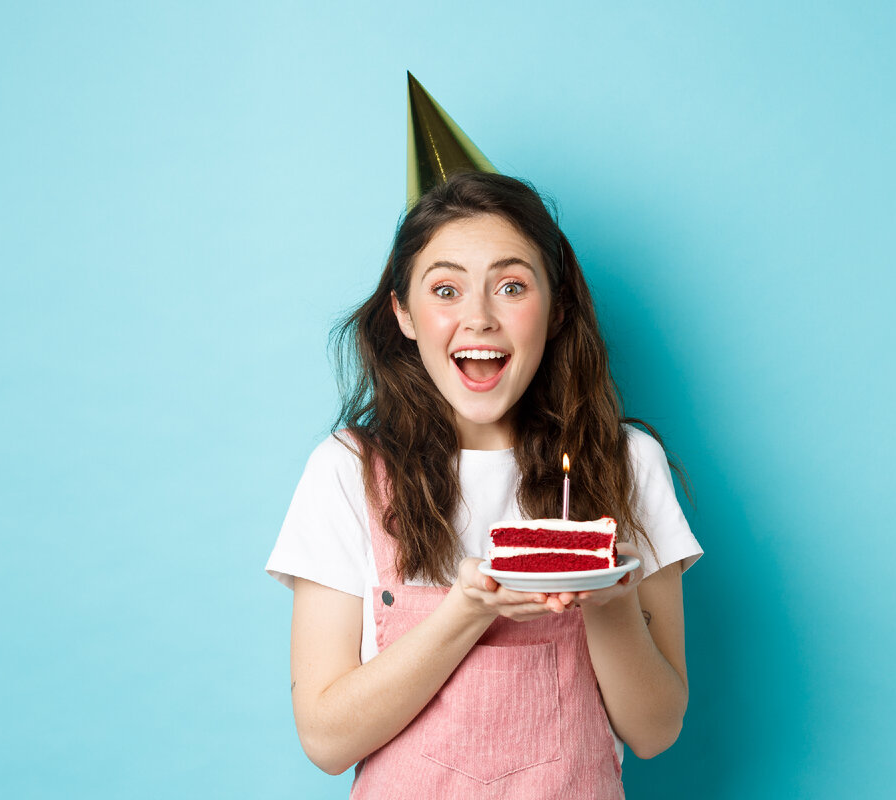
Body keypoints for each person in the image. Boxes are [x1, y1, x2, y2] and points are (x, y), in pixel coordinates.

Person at [266, 172, 702, 799]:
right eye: (446, 289)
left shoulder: (627, 462)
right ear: (403, 312)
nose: (479, 317)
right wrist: (468, 610)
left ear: (555, 310)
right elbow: (327, 741)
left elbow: (656, 730)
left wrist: (608, 599)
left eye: (512, 286)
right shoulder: (346, 471)